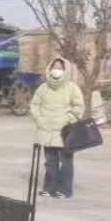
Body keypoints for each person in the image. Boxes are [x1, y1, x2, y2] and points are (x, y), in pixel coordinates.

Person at [30, 57, 84, 199]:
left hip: (65, 132)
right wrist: (39, 118)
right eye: (54, 67)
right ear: (49, 69)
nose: (57, 70)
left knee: (66, 162)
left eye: (60, 68)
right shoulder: (43, 88)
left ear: (65, 70)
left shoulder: (72, 87)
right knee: (50, 162)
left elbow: (78, 107)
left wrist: (69, 120)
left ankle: (65, 190)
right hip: (47, 131)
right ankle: (50, 188)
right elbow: (34, 105)